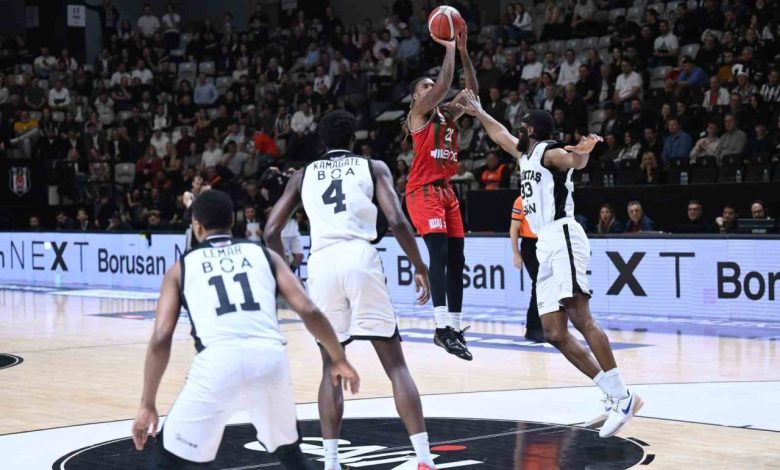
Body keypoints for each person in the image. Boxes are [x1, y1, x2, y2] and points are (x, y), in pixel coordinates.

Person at [458, 92, 642, 438]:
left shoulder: (546, 151)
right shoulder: (525, 155)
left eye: (523, 125)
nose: (518, 128)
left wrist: (583, 151)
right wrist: (479, 111)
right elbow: (499, 134)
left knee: (581, 318)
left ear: (532, 130)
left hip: (563, 235)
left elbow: (572, 161)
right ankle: (613, 394)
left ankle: (624, 398)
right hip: (545, 243)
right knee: (554, 332)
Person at [131, 190, 359, 470]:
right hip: (269, 360)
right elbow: (309, 310)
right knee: (291, 455)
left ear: (197, 226)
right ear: (232, 222)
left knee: (169, 457)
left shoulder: (180, 268)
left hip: (217, 363)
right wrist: (338, 357)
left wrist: (147, 403)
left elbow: (161, 337)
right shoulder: (264, 255)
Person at [264, 110, 436, 470]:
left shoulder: (301, 175)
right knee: (396, 365)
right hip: (360, 256)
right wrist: (420, 267)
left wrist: (288, 277)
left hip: (322, 263)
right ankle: (423, 459)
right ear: (353, 139)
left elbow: (271, 231)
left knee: (331, 366)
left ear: (322, 141)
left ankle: (330, 463)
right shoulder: (373, 167)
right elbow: (397, 220)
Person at [402, 24, 477, 360]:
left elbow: (471, 96)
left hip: (446, 191)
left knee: (458, 259)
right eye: (425, 86)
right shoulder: (418, 114)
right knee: (441, 255)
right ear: (416, 97)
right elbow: (446, 85)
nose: (432, 88)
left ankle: (455, 328)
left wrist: (463, 52)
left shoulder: (446, 114)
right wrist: (447, 48)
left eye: (432, 85)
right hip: (422, 191)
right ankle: (441, 327)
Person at [509, 196, 544, 342]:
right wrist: (516, 253)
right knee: (539, 283)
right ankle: (533, 329)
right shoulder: (521, 200)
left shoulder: (546, 196)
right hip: (530, 244)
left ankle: (545, 327)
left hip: (546, 243)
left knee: (545, 286)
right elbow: (514, 228)